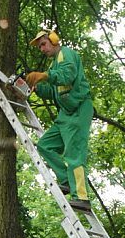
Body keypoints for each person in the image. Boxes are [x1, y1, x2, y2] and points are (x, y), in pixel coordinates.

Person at [26, 29, 94, 213]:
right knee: (45, 146)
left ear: (54, 40)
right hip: (65, 113)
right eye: (39, 46)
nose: (42, 48)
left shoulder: (66, 54)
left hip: (79, 109)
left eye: (43, 43)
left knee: (74, 155)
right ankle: (65, 180)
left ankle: (81, 197)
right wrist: (38, 87)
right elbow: (55, 92)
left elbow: (68, 76)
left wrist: (45, 76)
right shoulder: (54, 66)